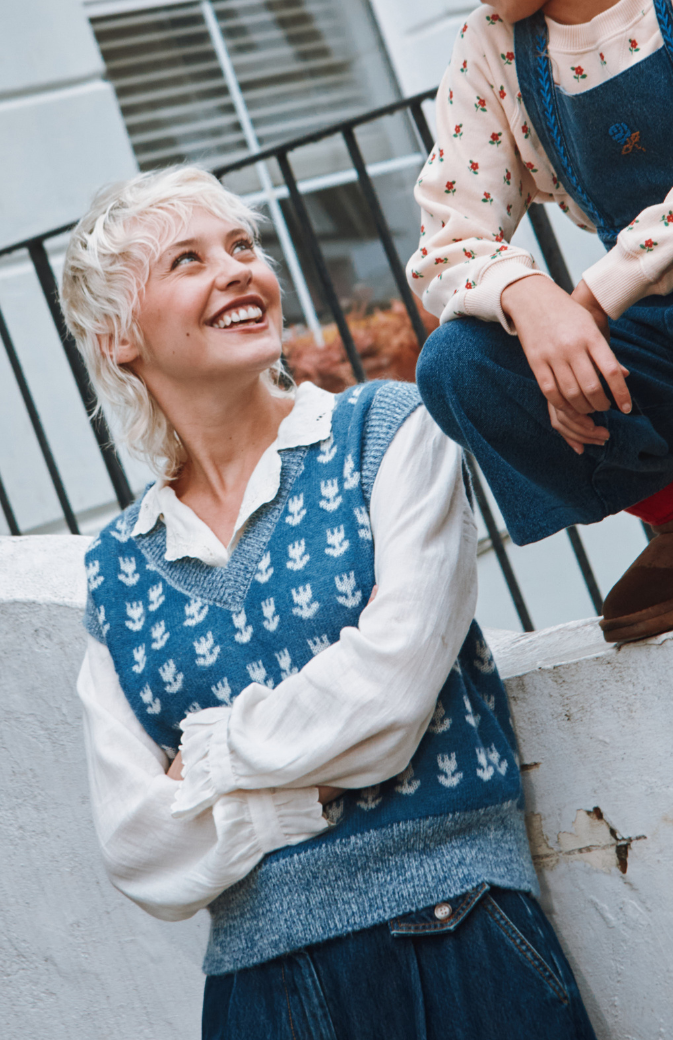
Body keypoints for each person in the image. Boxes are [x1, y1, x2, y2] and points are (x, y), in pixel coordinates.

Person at [60, 166, 599, 1039]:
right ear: (118, 336)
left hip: (459, 938)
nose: (238, 270)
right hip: (256, 992)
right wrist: (286, 794)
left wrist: (208, 756)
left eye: (244, 246)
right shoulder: (118, 571)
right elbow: (135, 845)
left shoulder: (390, 434)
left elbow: (388, 700)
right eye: (188, 261)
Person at [409, 0, 673, 642]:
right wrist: (527, 296)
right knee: (459, 359)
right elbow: (444, 242)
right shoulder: (492, 48)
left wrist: (594, 299)